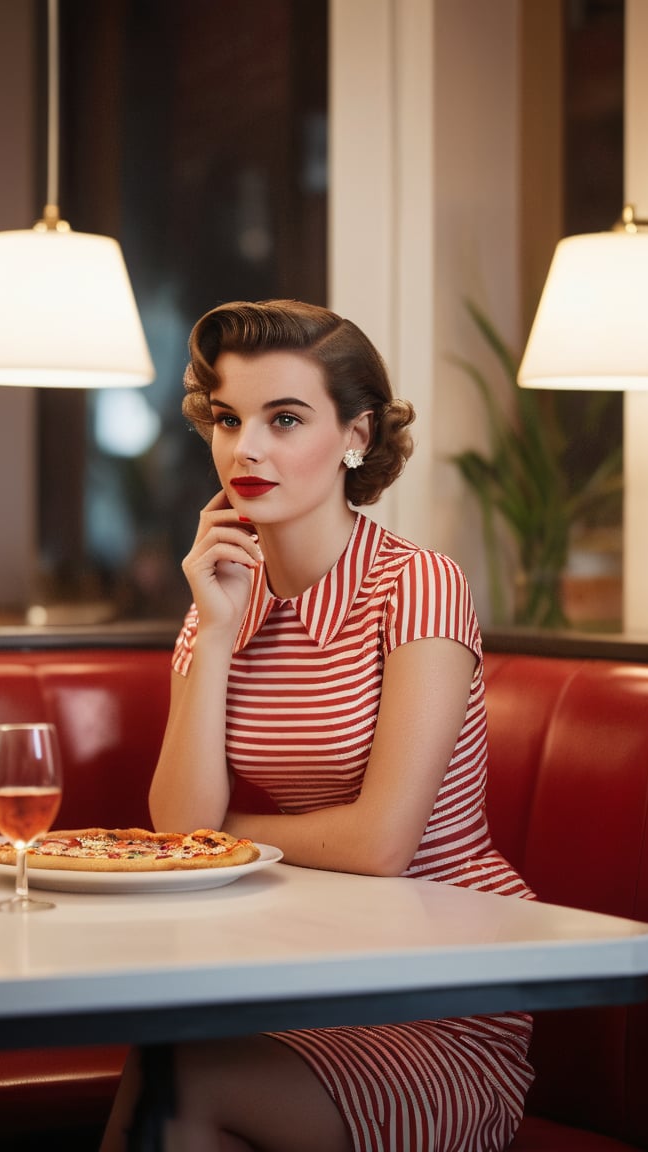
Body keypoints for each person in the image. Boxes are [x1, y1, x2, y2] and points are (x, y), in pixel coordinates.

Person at [101, 299, 534, 1152]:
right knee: (165, 1072)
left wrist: (222, 838)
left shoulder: (419, 585)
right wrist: (219, 631)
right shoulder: (220, 596)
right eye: (228, 418)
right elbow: (173, 827)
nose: (245, 448)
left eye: (285, 418)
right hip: (307, 984)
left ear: (356, 435)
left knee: (174, 1079)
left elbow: (381, 844)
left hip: (441, 997)